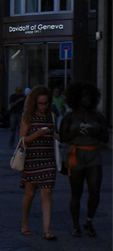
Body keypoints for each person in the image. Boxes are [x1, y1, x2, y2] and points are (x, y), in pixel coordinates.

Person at [57, 82, 108, 238]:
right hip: (76, 154)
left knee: (95, 190)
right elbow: (62, 137)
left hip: (93, 154)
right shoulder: (70, 117)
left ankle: (89, 220)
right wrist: (76, 132)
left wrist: (93, 132)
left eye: (89, 96)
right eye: (83, 96)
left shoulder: (98, 116)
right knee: (76, 192)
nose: (87, 99)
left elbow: (105, 138)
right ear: (76, 98)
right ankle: (75, 225)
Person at [19, 85, 59, 240]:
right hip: (31, 160)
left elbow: (55, 134)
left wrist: (57, 136)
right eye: (41, 103)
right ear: (34, 103)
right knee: (30, 193)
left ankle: (47, 230)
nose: (44, 106)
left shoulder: (51, 117)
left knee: (47, 193)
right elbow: (22, 141)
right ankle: (24, 222)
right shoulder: (27, 118)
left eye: (46, 103)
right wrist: (37, 134)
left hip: (48, 160)